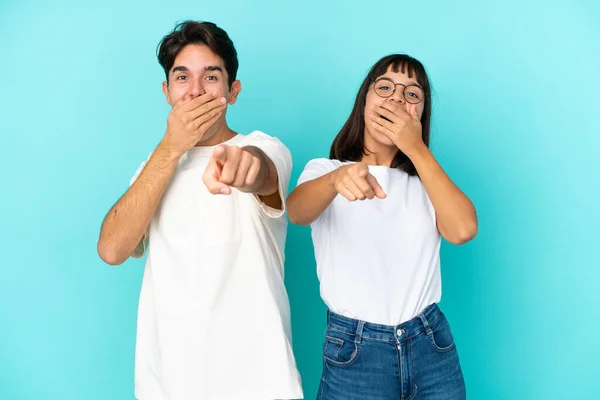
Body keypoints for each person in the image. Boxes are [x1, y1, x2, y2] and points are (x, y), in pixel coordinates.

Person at [97, 20, 303, 400]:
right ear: (167, 92)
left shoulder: (264, 146)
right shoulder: (152, 169)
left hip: (260, 384)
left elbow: (261, 169)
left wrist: (246, 166)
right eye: (182, 78)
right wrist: (172, 148)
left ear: (233, 91)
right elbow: (112, 249)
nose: (194, 91)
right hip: (168, 386)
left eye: (211, 78)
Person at [287, 54, 477, 400]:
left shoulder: (426, 184)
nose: (396, 98)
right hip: (356, 352)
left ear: (420, 114)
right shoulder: (325, 169)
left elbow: (463, 230)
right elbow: (297, 211)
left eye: (412, 94)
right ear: (365, 102)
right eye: (385, 87)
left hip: (430, 344)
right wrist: (336, 179)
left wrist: (415, 148)